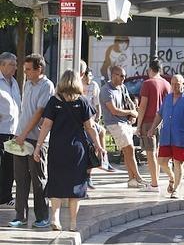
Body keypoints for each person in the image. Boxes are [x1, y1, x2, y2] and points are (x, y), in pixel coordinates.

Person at [33, 69, 106, 231]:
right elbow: (90, 127)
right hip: (77, 150)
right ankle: (73, 223)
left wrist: (38, 147)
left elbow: (46, 125)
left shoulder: (54, 101)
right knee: (76, 186)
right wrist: (98, 145)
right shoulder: (83, 101)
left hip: (57, 148)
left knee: (56, 183)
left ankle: (55, 218)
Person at [10, 54, 54, 228]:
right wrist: (18, 132)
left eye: (29, 69)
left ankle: (42, 217)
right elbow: (25, 110)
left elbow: (38, 113)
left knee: (38, 179)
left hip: (36, 139)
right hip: (20, 136)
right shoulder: (27, 83)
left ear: (39, 69)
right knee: (20, 179)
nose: (26, 73)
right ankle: (20, 216)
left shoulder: (47, 86)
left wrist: (24, 134)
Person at [146, 74, 184, 198]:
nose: (175, 86)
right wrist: (152, 128)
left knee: (178, 163)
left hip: (181, 137)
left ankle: (175, 190)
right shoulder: (168, 98)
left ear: (183, 84)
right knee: (162, 161)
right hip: (166, 135)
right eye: (173, 84)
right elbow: (159, 115)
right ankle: (172, 177)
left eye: (177, 84)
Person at [99, 65, 145, 188]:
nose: (124, 78)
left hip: (125, 123)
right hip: (114, 123)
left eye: (124, 76)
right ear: (113, 75)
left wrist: (133, 113)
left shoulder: (122, 87)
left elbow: (128, 102)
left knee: (127, 152)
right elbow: (113, 110)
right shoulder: (106, 90)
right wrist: (130, 113)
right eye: (121, 76)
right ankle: (138, 177)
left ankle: (132, 180)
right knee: (130, 149)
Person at [136, 59, 171, 192]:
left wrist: (138, 126)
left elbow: (143, 105)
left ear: (150, 69)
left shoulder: (147, 83)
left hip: (148, 122)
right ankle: (155, 181)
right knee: (157, 153)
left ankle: (154, 184)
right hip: (162, 122)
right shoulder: (167, 84)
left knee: (150, 153)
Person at [80, 61, 115, 189]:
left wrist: (98, 118)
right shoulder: (78, 86)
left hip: (91, 119)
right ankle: (99, 162)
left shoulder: (94, 86)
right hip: (82, 121)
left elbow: (97, 104)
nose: (89, 78)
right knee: (90, 146)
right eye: (87, 76)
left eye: (90, 76)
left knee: (101, 132)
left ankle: (103, 159)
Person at [0, 52, 20, 208]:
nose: (15, 67)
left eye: (15, 64)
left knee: (9, 166)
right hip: (1, 131)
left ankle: (6, 197)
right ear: (2, 65)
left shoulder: (14, 82)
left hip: (13, 131)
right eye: (12, 64)